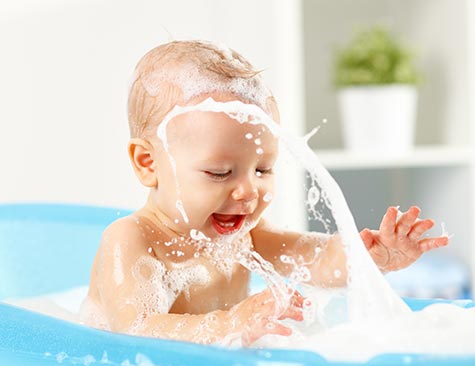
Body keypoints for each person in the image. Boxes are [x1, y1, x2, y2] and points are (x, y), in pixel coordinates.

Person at [79, 40, 448, 346]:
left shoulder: (244, 236)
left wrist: (371, 258)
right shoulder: (132, 240)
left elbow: (313, 259)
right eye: (219, 172)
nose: (247, 190)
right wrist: (231, 322)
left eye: (263, 169)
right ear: (148, 163)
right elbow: (136, 330)